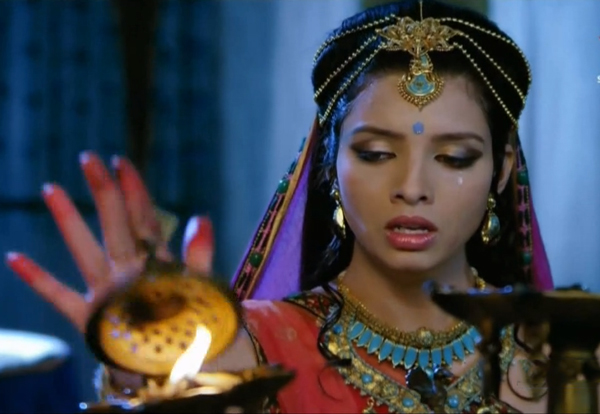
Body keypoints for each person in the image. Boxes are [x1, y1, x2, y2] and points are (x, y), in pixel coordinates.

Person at [4, 0, 556, 412]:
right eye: (375, 153)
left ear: (502, 169)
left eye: (455, 157)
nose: (413, 187)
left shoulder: (562, 354)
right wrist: (146, 369)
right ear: (329, 165)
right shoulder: (247, 353)